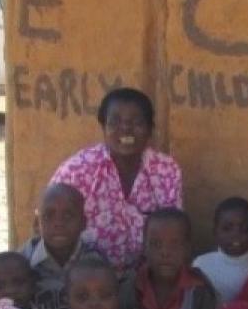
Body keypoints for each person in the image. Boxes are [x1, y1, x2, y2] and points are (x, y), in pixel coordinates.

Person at [50, 87, 183, 276]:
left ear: (150, 129)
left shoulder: (166, 170)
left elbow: (174, 231)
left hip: (146, 280)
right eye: (115, 122)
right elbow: (49, 228)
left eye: (137, 122)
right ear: (103, 127)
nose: (126, 128)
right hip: (87, 281)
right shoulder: (77, 170)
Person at [19, 183, 102, 309]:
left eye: (68, 215)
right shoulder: (22, 262)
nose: (59, 223)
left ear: (84, 223)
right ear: (36, 224)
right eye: (49, 215)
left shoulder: (95, 262)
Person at [193, 197, 248, 304]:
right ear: (215, 232)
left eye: (244, 229)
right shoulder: (201, 265)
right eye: (227, 228)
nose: (236, 235)